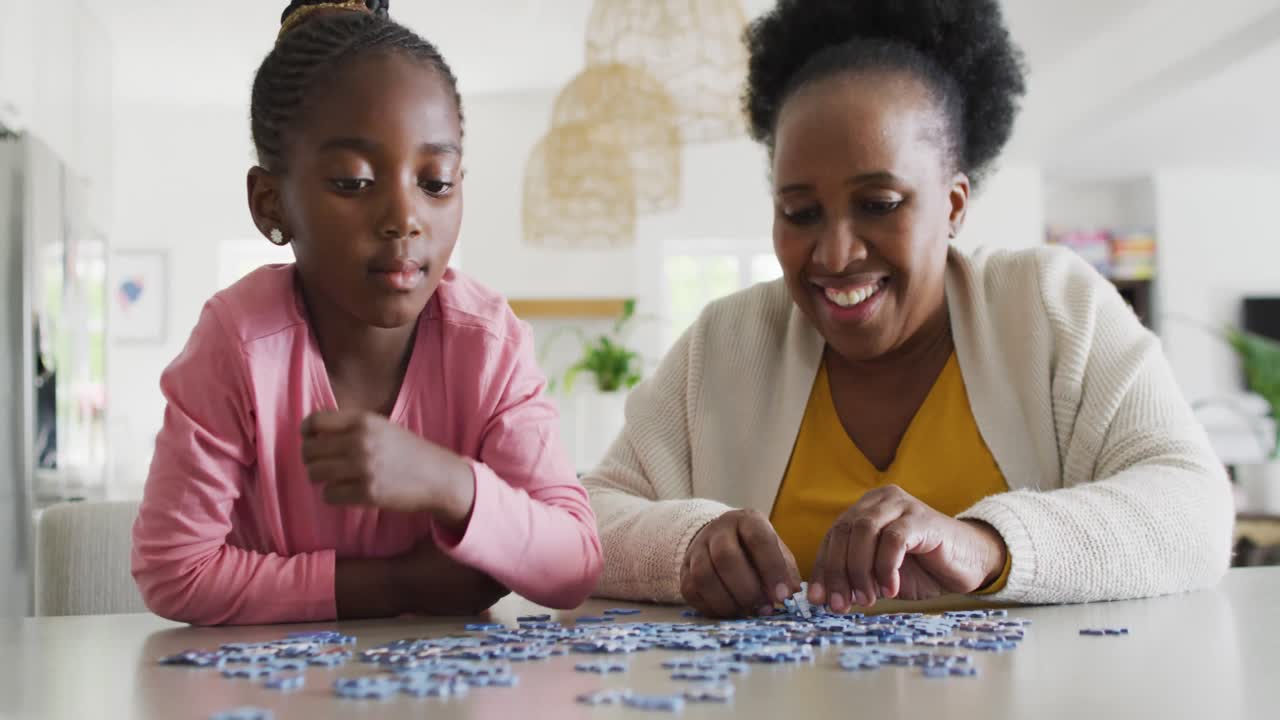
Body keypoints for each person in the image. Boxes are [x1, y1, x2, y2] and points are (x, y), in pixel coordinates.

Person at [584, 0, 1233, 618]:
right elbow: (586, 516)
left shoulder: (1053, 308)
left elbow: (1193, 510)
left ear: (953, 205)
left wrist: (988, 545)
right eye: (800, 213)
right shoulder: (727, 342)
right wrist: (688, 547)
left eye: (880, 203)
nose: (835, 255)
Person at [131, 0, 602, 626]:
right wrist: (398, 587)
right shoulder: (238, 343)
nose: (404, 218)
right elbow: (174, 571)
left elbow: (575, 563)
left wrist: (449, 483)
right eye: (353, 181)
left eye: (435, 182)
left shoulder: (488, 344)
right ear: (271, 203)